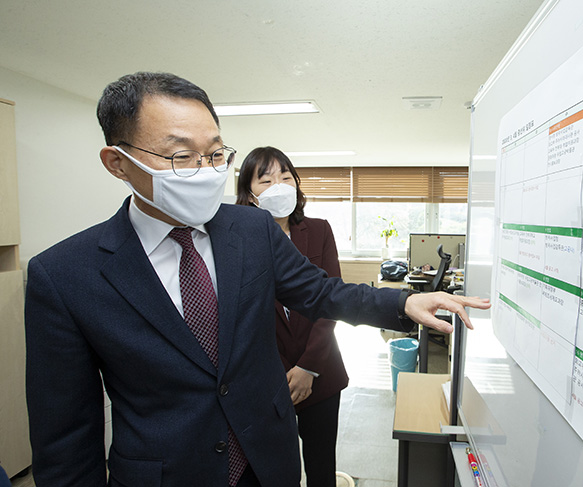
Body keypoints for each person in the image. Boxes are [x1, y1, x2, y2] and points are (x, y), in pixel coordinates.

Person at [24, 71, 490, 487]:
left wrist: (402, 304)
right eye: (181, 156)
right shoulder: (65, 276)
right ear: (118, 163)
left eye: (215, 154)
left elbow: (319, 291)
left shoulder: (251, 230)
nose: (207, 173)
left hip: (269, 461)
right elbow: (66, 437)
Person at [237, 146, 347, 486]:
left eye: (285, 177)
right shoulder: (236, 241)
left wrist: (308, 367)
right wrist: (283, 372)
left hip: (321, 370)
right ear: (249, 193)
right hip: (267, 379)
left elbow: (331, 300)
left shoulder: (318, 230)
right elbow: (243, 316)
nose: (279, 185)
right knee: (273, 469)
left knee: (320, 467)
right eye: (266, 180)